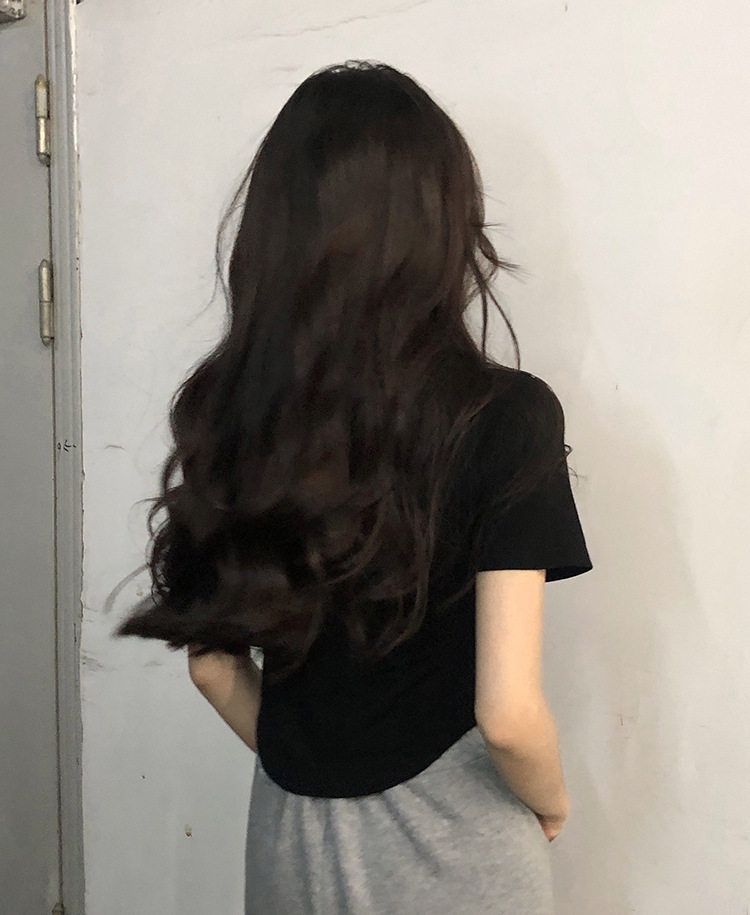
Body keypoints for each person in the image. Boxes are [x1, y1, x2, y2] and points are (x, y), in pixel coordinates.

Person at [114, 59, 593, 914]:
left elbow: (213, 669)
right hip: (460, 852)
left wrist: (312, 769)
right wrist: (551, 800)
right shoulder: (505, 417)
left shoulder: (235, 417)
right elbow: (508, 711)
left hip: (290, 846)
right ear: (439, 223)